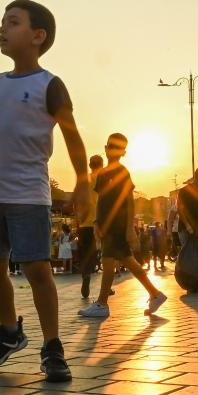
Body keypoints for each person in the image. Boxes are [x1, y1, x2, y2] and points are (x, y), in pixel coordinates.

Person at [0, 0, 89, 380]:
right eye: (1, 23)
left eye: (12, 23)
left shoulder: (50, 84)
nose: (2, 29)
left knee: (36, 268)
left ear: (37, 36)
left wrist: (83, 181)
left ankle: (52, 346)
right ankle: (10, 332)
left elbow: (73, 135)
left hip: (29, 194)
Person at [78, 133, 166, 319]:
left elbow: (129, 200)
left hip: (117, 225)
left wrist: (129, 228)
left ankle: (102, 303)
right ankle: (155, 294)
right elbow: (101, 201)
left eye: (117, 147)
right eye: (110, 145)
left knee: (109, 261)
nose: (112, 150)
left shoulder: (121, 172)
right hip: (106, 224)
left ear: (123, 152)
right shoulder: (103, 173)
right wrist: (96, 222)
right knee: (127, 260)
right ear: (105, 147)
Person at [78, 154, 104, 298]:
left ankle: (86, 275)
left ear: (89, 165)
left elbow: (80, 200)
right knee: (105, 254)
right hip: (100, 221)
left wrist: (79, 219)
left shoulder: (85, 179)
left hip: (84, 223)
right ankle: (105, 286)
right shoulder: (104, 177)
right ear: (102, 164)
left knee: (85, 255)